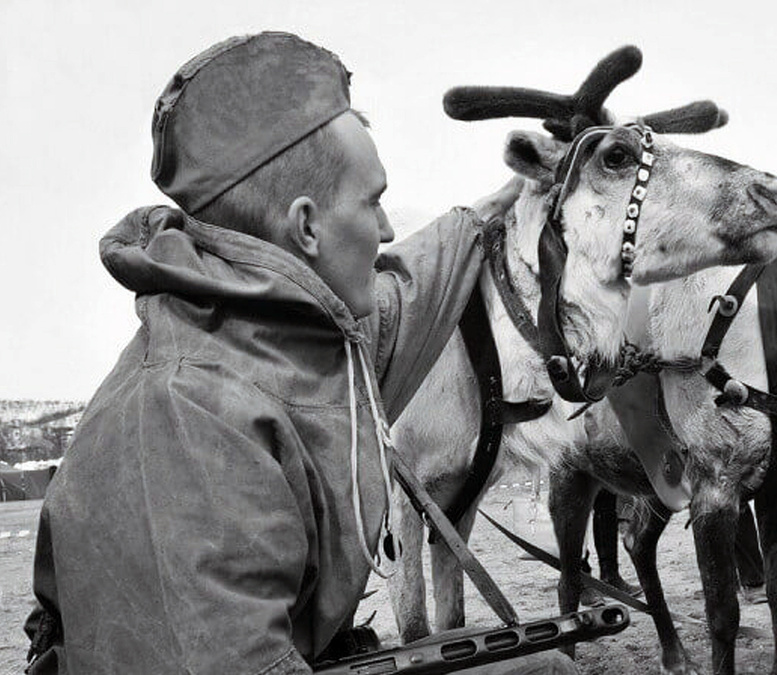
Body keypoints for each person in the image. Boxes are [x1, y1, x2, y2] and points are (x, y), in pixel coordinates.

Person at [24, 32, 574, 675]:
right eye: (373, 201)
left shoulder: (292, 340)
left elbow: (415, 280)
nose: (390, 229)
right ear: (307, 225)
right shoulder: (187, 421)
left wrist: (511, 198)